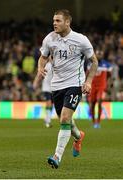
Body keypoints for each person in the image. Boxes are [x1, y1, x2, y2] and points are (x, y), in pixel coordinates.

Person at [35, 9, 98, 169]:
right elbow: (42, 57)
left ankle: (57, 156)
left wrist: (89, 81)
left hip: (75, 84)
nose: (54, 23)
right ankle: (78, 136)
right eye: (53, 20)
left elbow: (94, 62)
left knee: (64, 119)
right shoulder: (50, 39)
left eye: (58, 21)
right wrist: (40, 68)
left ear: (67, 22)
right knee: (66, 121)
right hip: (56, 86)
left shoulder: (81, 40)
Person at [87, 50, 112, 128]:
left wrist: (107, 85)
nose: (99, 56)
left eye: (100, 54)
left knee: (99, 101)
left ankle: (98, 122)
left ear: (102, 55)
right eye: (98, 54)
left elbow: (109, 76)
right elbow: (87, 74)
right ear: (95, 55)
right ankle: (94, 121)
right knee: (92, 104)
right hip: (93, 86)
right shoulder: (91, 64)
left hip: (101, 86)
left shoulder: (107, 65)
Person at [33, 60, 53, 128]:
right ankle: (48, 120)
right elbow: (40, 74)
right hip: (46, 87)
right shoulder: (47, 65)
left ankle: (47, 117)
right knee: (49, 102)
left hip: (54, 88)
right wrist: (36, 82)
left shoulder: (57, 65)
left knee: (51, 104)